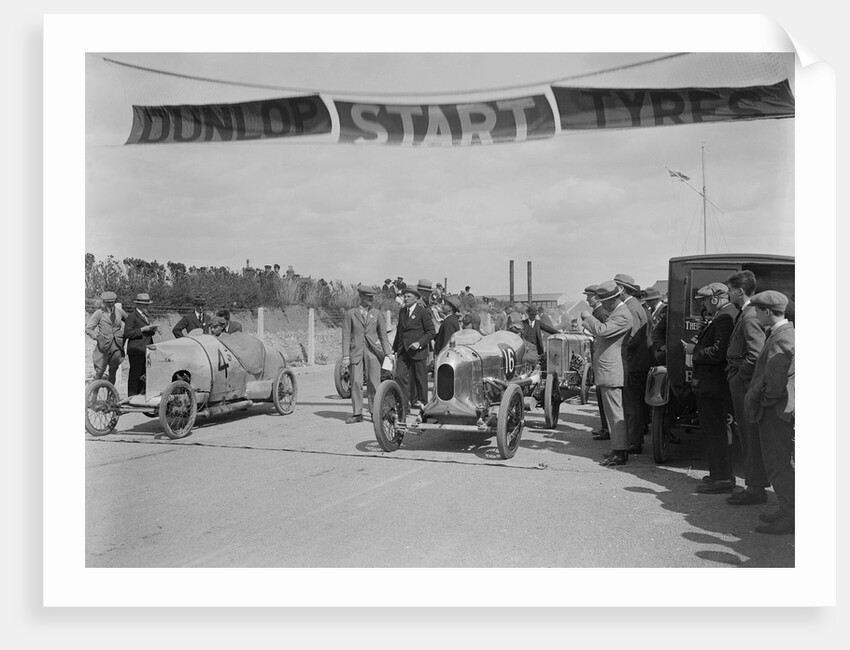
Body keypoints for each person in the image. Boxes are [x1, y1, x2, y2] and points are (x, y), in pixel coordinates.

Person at [744, 290, 795, 534]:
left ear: (767, 311)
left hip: (775, 412)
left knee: (778, 464)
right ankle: (786, 510)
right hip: (777, 410)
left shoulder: (781, 338)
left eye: (757, 310)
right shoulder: (781, 333)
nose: (755, 314)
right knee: (779, 463)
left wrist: (764, 401)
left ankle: (789, 518)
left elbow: (775, 383)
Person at [684, 282, 739, 494]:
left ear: (715, 299)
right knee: (716, 431)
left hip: (713, 385)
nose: (703, 305)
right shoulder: (724, 315)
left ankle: (722, 479)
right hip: (715, 385)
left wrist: (694, 350)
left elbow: (718, 353)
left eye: (705, 300)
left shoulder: (724, 317)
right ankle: (719, 474)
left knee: (716, 432)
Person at [724, 271, 769, 506]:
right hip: (741, 381)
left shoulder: (750, 315)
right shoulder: (748, 313)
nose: (728, 294)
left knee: (750, 435)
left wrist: (739, 375)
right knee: (748, 434)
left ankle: (755, 489)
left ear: (739, 291)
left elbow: (756, 354)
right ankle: (754, 486)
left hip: (744, 384)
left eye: (730, 290)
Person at [580, 281, 634, 466]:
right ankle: (617, 450)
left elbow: (602, 331)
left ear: (613, 299)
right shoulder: (618, 312)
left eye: (604, 302)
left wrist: (588, 318)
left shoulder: (622, 315)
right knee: (613, 413)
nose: (603, 305)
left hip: (612, 371)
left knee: (615, 413)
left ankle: (620, 453)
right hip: (609, 370)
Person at [342, 285, 392, 424]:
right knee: (356, 382)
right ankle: (357, 413)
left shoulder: (377, 313)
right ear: (361, 297)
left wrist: (388, 353)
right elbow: (346, 336)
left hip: (372, 352)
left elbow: (383, 336)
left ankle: (375, 412)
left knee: (374, 382)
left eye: (372, 297)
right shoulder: (350, 314)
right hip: (356, 351)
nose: (371, 299)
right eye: (368, 297)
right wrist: (345, 356)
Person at [614, 273, 652, 454]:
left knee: (631, 405)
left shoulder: (631, 308)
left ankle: (634, 442)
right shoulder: (635, 305)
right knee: (634, 403)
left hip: (633, 363)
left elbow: (633, 339)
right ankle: (634, 439)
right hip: (637, 362)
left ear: (621, 289)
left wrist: (615, 346)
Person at [392, 284, 436, 416]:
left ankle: (424, 409)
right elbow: (399, 331)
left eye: (408, 296)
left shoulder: (422, 312)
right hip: (403, 352)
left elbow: (431, 332)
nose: (405, 299)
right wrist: (394, 349)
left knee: (420, 380)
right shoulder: (402, 312)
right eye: (404, 296)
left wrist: (419, 343)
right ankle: (403, 407)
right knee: (399, 376)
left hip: (418, 352)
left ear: (416, 298)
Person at [582, 284, 610, 441]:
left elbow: (606, 334)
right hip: (597, 357)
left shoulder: (602, 313)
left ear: (598, 297)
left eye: (589, 296)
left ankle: (607, 429)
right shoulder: (598, 312)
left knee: (603, 396)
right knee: (600, 396)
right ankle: (605, 427)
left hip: (602, 359)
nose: (587, 299)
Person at [86, 291, 126, 385]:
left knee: (113, 370)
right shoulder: (99, 313)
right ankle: (94, 392)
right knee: (100, 371)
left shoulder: (119, 312)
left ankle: (111, 393)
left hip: (116, 346)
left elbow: (129, 322)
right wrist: (97, 337)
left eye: (112, 302)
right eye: (108, 302)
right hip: (103, 346)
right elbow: (88, 329)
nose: (111, 304)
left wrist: (122, 334)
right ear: (104, 302)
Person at [123, 292, 158, 396]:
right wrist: (142, 329)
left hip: (145, 350)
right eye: (145, 305)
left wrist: (152, 330)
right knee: (135, 375)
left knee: (144, 375)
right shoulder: (132, 317)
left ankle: (141, 396)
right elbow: (127, 333)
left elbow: (146, 333)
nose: (147, 307)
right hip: (136, 350)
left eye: (147, 305)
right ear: (138, 305)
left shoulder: (145, 316)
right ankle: (132, 396)